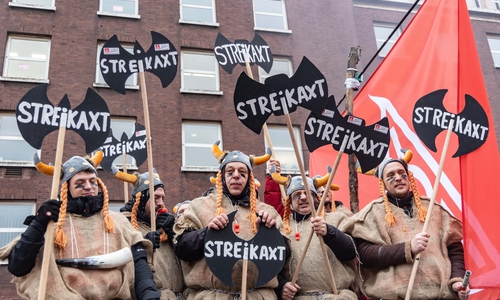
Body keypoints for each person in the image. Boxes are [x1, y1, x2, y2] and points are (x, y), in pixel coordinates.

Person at [0, 152, 160, 299]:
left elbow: (140, 263)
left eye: (92, 181)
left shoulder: (117, 221)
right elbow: (18, 267)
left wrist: (149, 293)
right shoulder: (51, 225)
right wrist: (39, 224)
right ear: (67, 188)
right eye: (80, 182)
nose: (89, 187)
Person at [342, 151, 470, 300]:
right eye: (390, 176)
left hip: (441, 295)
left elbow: (454, 248)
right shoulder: (372, 213)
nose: (398, 178)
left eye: (402, 173)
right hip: (396, 296)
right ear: (382, 183)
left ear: (408, 177)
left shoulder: (433, 208)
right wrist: (407, 249)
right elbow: (364, 255)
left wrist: (457, 280)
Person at [173, 141, 288, 300]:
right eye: (230, 172)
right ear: (222, 176)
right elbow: (181, 248)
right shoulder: (199, 206)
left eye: (242, 173)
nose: (236, 176)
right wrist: (207, 234)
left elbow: (285, 257)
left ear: (249, 179)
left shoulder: (267, 212)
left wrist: (271, 234)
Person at [270, 166, 358, 300]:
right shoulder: (282, 228)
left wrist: (330, 232)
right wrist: (281, 286)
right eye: (297, 195)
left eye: (308, 193)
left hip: (337, 296)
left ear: (315, 197)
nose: (303, 197)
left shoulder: (336, 218)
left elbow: (351, 252)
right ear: (289, 202)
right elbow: (272, 265)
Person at [113, 167, 186, 299]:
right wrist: (144, 244)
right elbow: (122, 263)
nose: (161, 203)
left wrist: (173, 232)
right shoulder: (124, 225)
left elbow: (187, 258)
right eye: (155, 198)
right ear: (140, 200)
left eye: (163, 198)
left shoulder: (164, 227)